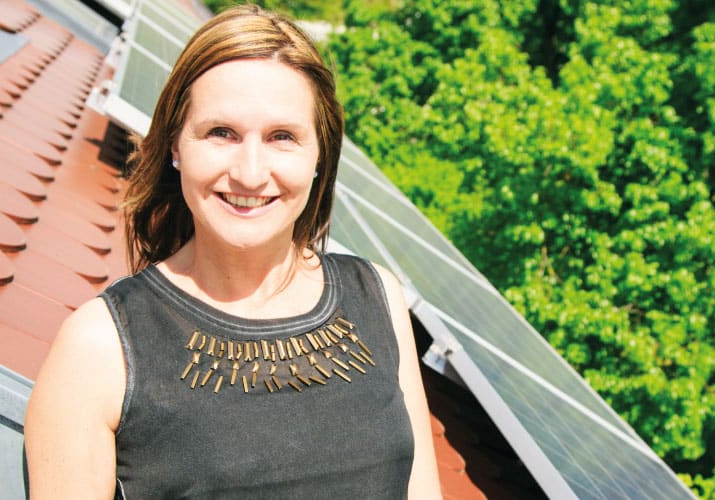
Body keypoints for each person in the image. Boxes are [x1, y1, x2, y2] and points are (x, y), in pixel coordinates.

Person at [24, 5, 441, 498]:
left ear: (319, 157)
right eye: (221, 133)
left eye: (282, 137)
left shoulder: (377, 298)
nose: (249, 171)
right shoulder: (100, 347)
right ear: (176, 145)